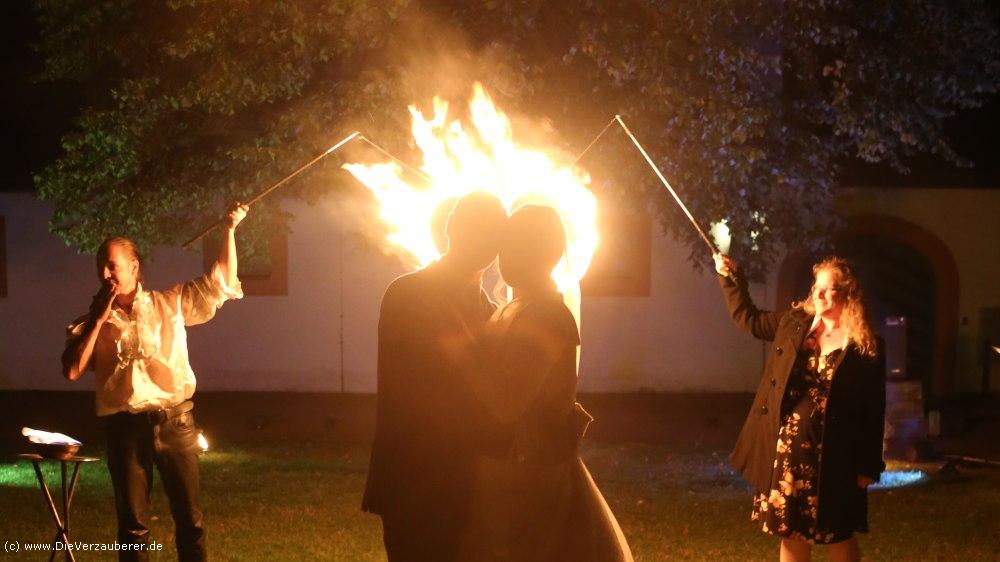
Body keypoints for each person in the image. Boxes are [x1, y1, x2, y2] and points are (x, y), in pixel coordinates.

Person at [62, 202, 248, 561]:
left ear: (134, 267)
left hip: (175, 424)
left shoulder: (170, 303)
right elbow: (72, 369)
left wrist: (229, 230)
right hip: (125, 431)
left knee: (190, 522)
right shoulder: (94, 321)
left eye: (112, 265)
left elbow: (220, 282)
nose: (105, 273)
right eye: (100, 266)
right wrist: (99, 319)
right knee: (132, 529)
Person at [461, 205, 633, 562]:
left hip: (531, 472)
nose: (503, 256)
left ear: (543, 254)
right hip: (507, 465)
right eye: (504, 245)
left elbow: (507, 404)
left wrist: (454, 353)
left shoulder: (548, 316)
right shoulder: (514, 306)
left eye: (516, 246)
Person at [362, 192, 509, 562]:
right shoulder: (408, 294)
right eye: (475, 231)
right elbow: (453, 380)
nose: (484, 243)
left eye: (492, 235)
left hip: (470, 483)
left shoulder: (492, 311)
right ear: (450, 230)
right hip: (416, 480)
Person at [713, 254, 886, 562]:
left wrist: (867, 466)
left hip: (836, 453)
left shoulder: (864, 343)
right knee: (791, 531)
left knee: (838, 532)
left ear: (848, 292)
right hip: (790, 448)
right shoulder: (794, 324)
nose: (818, 293)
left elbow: (873, 409)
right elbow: (750, 320)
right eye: (816, 286)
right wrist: (731, 279)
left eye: (829, 288)